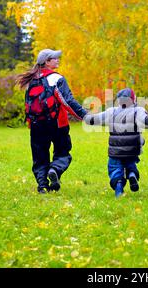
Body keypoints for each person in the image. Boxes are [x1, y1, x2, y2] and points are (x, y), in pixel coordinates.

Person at [17, 49, 88, 194]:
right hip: (57, 124)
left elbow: (28, 104)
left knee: (40, 156)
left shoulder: (31, 80)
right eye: (55, 58)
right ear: (47, 62)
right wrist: (85, 116)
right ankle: (54, 170)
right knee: (63, 152)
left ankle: (42, 186)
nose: (58, 60)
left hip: (37, 125)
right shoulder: (56, 78)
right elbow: (67, 101)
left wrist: (31, 124)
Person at [83, 88, 148, 198]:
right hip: (133, 150)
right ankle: (131, 174)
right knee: (130, 163)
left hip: (115, 151)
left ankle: (119, 190)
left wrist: (86, 117)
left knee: (115, 169)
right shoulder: (138, 110)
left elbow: (96, 119)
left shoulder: (111, 111)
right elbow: (146, 120)